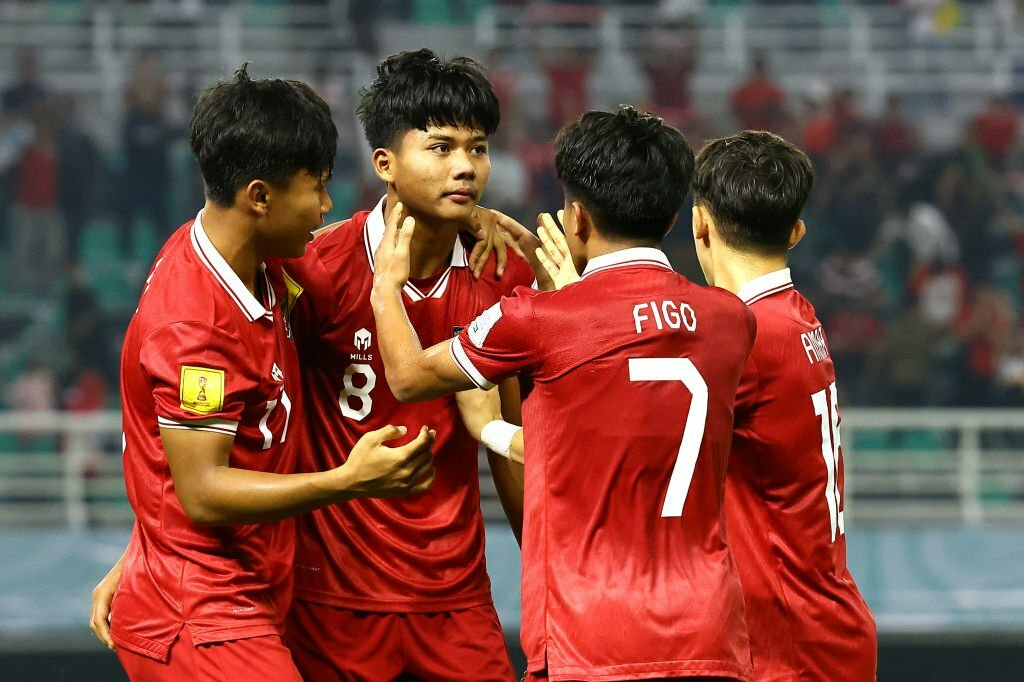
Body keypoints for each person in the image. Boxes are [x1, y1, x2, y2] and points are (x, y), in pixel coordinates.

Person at [370, 105, 756, 681]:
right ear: (674, 218)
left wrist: (384, 287)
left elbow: (406, 376)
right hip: (708, 630)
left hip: (592, 634)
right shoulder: (730, 320)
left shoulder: (539, 320)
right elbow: (622, 375)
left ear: (575, 218)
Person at [89, 65, 436, 681]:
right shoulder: (195, 326)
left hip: (230, 590)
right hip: (200, 616)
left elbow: (168, 466)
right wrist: (348, 480)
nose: (326, 206)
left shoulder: (252, 260)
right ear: (259, 196)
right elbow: (201, 490)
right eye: (317, 188)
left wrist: (469, 221)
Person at [281, 48, 535, 682]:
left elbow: (508, 444)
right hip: (333, 603)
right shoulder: (317, 269)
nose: (466, 168)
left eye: (477, 149)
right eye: (441, 148)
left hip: (456, 599)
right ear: (385, 164)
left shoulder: (501, 272)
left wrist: (548, 565)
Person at [691, 130, 877, 680]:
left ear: (699, 223)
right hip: (821, 627)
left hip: (788, 647)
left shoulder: (746, 337)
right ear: (795, 232)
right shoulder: (795, 317)